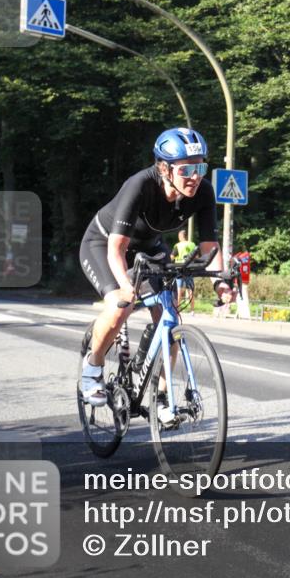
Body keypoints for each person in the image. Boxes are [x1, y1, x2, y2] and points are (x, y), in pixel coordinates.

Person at [78, 127, 234, 421]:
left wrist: (221, 283)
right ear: (164, 168)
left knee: (170, 316)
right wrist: (125, 286)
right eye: (186, 169)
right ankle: (93, 366)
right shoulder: (139, 185)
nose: (195, 176)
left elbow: (209, 247)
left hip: (149, 248)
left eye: (200, 167)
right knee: (118, 307)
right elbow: (116, 248)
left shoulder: (203, 191)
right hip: (104, 242)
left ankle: (162, 397)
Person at [172, 229, 197, 314]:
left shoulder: (177, 245)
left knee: (179, 290)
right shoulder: (192, 244)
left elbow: (172, 257)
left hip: (179, 269)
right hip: (189, 269)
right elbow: (196, 256)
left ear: (180, 236)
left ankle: (177, 309)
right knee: (190, 290)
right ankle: (192, 310)